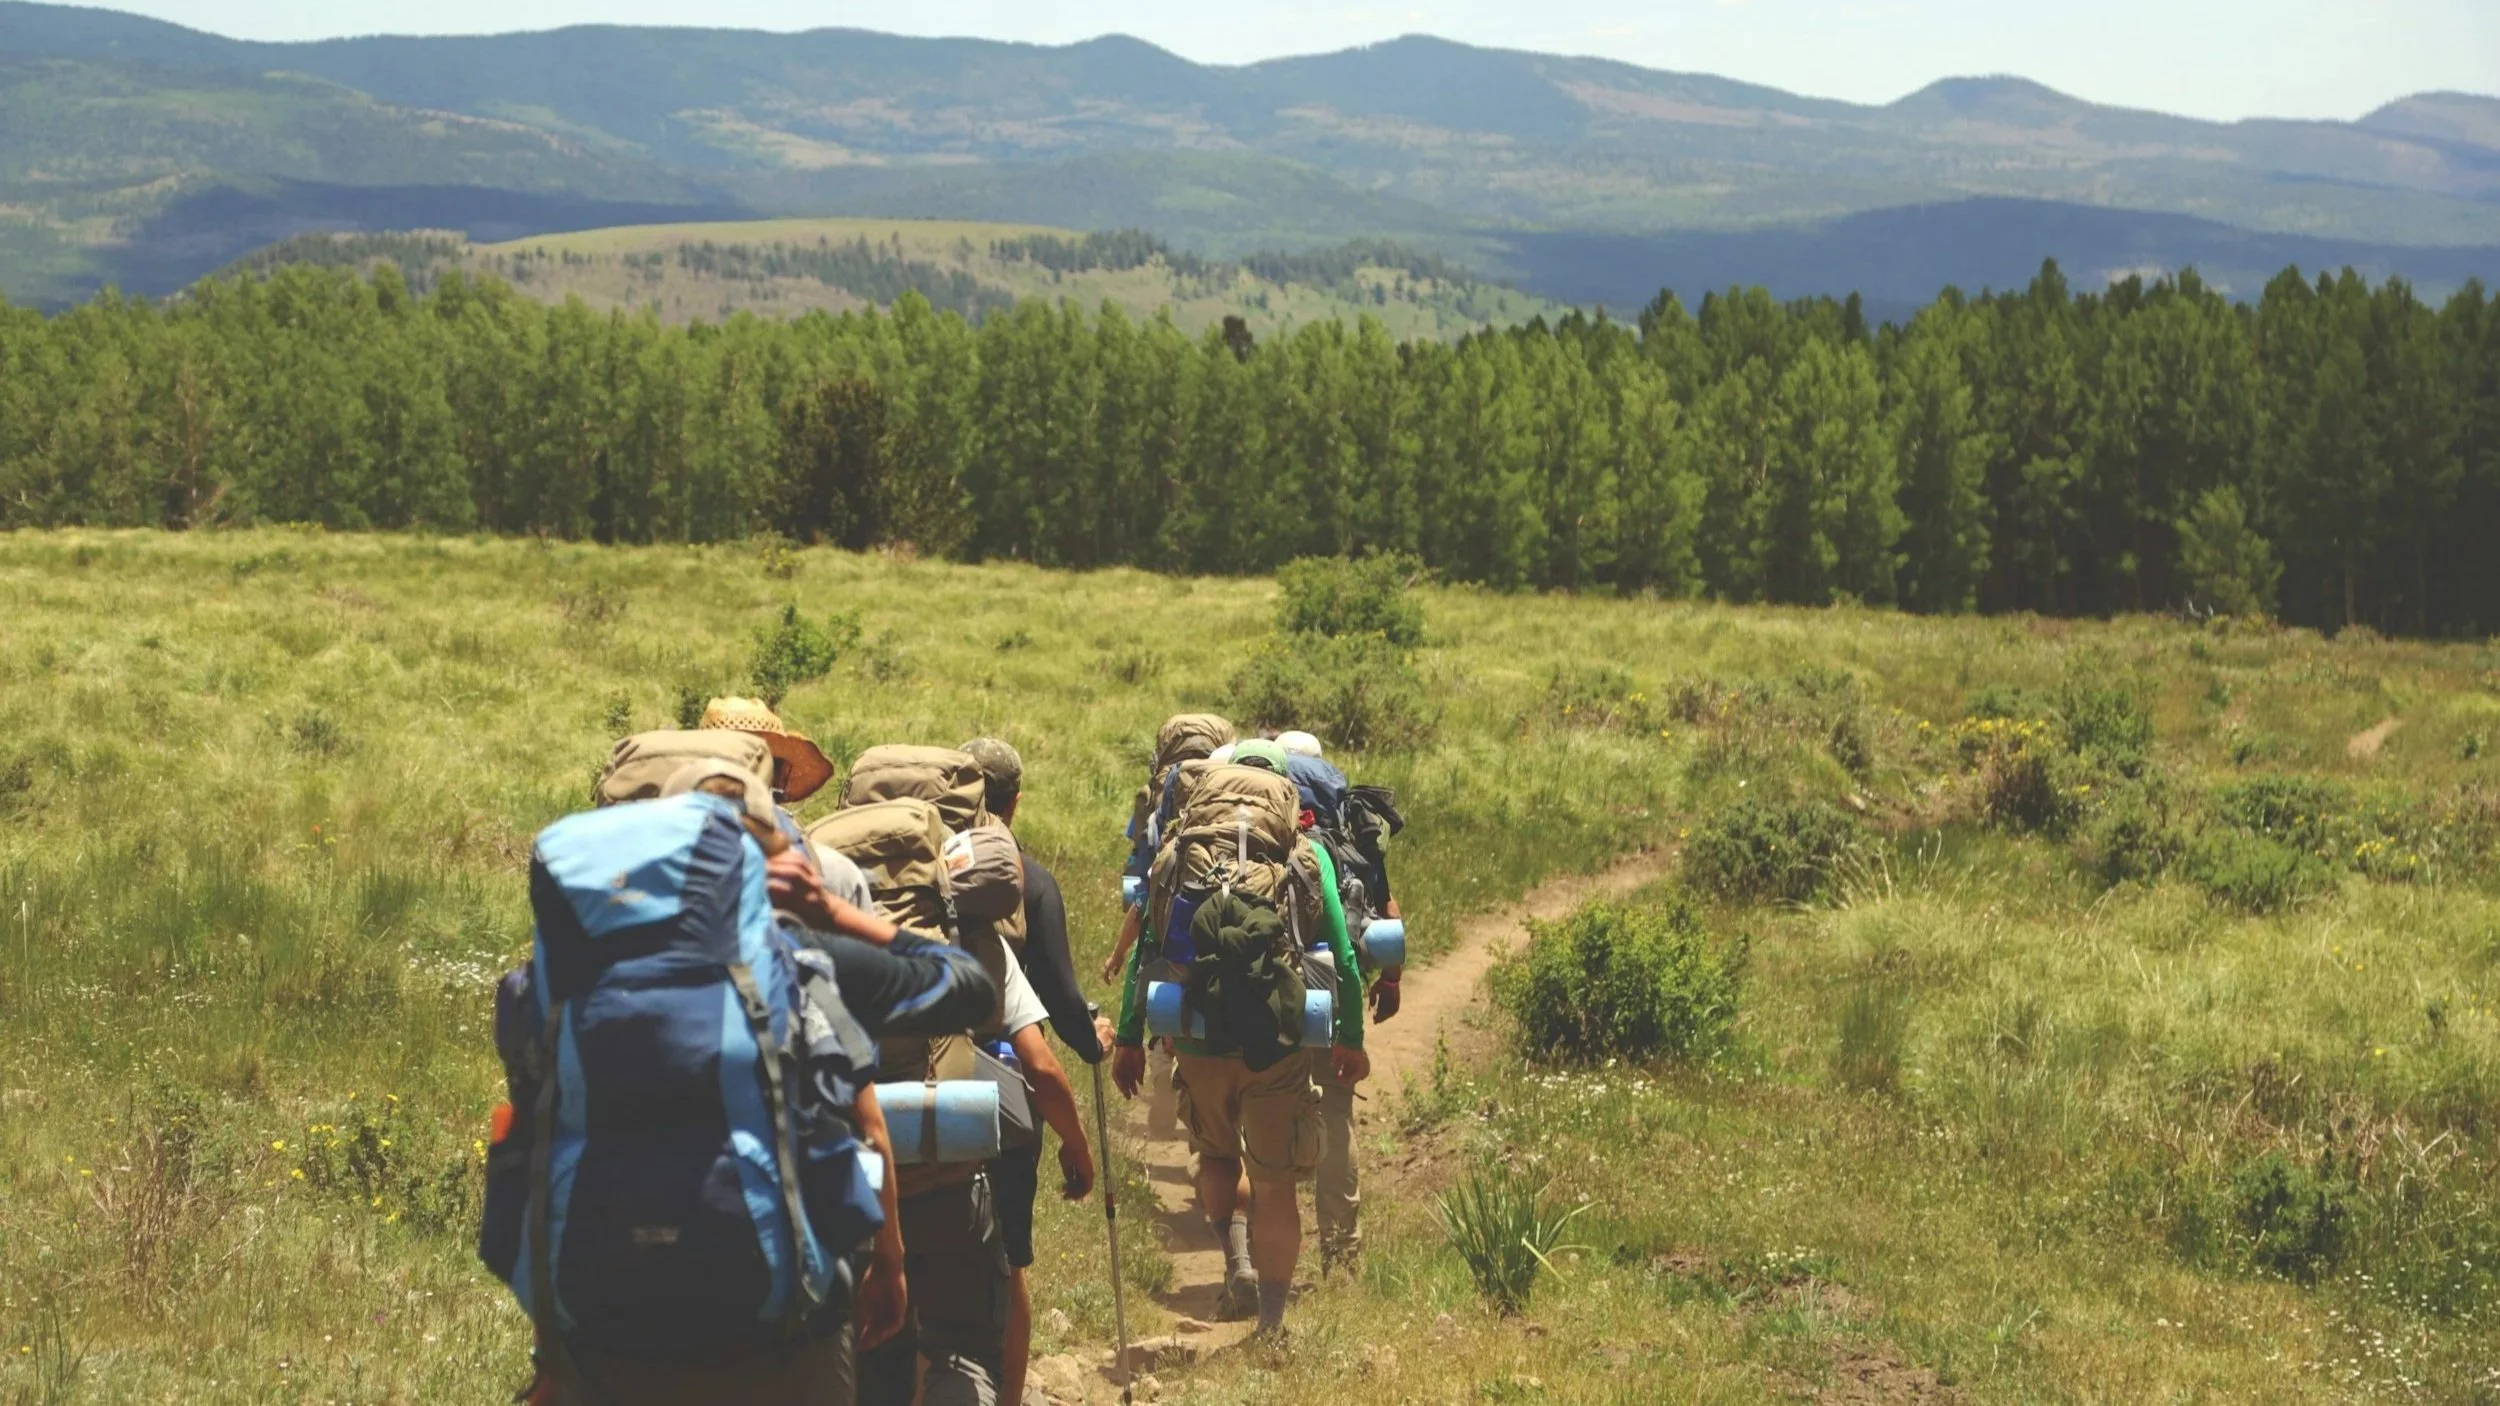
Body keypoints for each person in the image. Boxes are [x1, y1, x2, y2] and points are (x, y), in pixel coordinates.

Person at [504, 760, 1000, 1406]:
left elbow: (540, 1170)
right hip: (784, 1342)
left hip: (617, 1342)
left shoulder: (573, 986)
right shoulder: (804, 966)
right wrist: (831, 913)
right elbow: (966, 990)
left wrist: (551, 1358)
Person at [1111, 740, 1370, 1337]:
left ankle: (1237, 1267)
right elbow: (1346, 956)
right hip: (1274, 1039)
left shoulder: (1178, 851)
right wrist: (1349, 1036)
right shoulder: (1305, 855)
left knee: (1218, 1156)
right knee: (1276, 1185)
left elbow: (1147, 949)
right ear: (1286, 794)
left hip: (1199, 1036)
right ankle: (1272, 1327)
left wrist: (1129, 1036)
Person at [855, 935, 1094, 1406]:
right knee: (966, 1346)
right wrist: (1076, 1142)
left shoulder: (815, 940)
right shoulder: (980, 941)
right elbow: (1040, 1066)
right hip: (954, 1175)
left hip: (859, 1187)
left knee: (872, 1355)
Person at [959, 738, 1114, 1406]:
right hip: (1002, 1100)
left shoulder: (917, 879)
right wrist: (1098, 1041)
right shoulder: (1028, 880)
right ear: (1014, 801)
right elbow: (1060, 1004)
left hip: (902, 1091)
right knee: (1009, 1265)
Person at [1274, 731, 1405, 1277]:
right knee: (1335, 1113)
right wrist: (1391, 980)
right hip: (1329, 987)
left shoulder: (1259, 832)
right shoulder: (1344, 830)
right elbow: (1385, 909)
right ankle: (1342, 1257)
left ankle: (1265, 1258)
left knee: (1264, 1119)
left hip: (1269, 993)